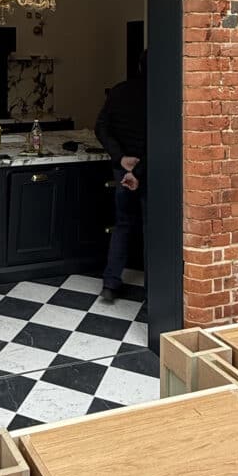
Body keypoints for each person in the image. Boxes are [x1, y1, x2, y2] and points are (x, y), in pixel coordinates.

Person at [94, 49, 147, 303]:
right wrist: (137, 169)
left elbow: (101, 127)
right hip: (150, 170)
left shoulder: (119, 91)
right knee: (153, 227)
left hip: (123, 169)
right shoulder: (163, 93)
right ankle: (156, 286)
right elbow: (155, 137)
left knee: (123, 224)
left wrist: (120, 159)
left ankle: (111, 283)